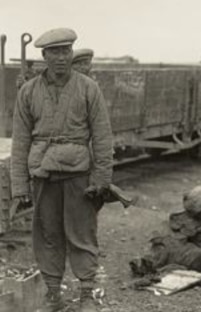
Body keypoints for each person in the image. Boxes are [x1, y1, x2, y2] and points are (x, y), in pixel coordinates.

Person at [11, 28, 113, 312]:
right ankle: (53, 294)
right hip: (43, 175)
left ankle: (86, 294)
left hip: (79, 173)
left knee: (82, 234)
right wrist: (20, 186)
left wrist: (102, 180)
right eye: (54, 52)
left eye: (66, 51)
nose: (61, 58)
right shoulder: (29, 92)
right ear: (44, 56)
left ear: (71, 53)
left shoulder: (88, 88)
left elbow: (103, 137)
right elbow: (20, 142)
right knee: (48, 234)